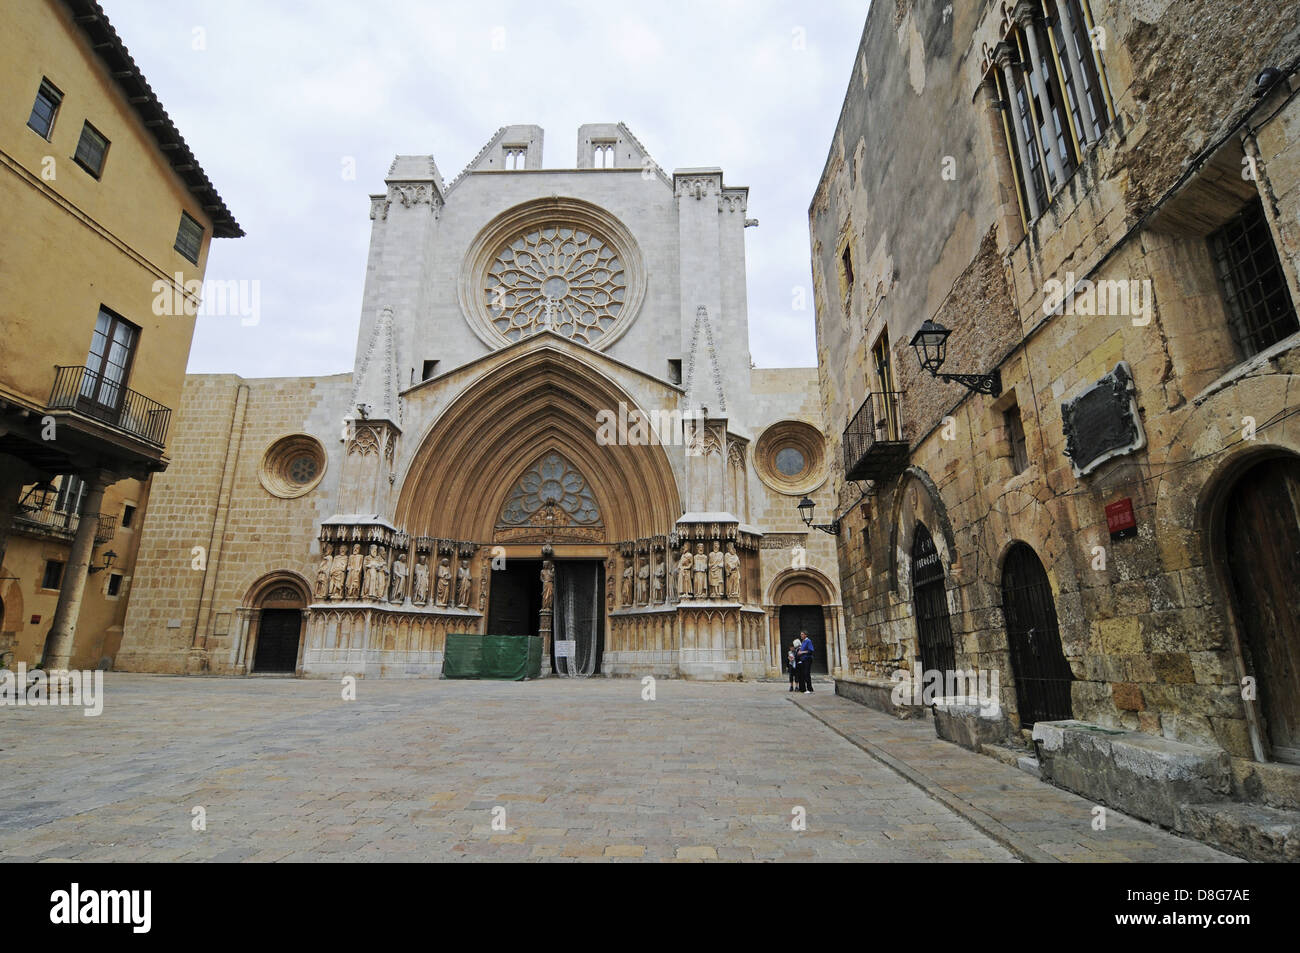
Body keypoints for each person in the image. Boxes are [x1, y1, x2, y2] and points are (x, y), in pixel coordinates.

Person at [796, 629, 815, 694]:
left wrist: (801, 652)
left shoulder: (808, 641)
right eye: (801, 634)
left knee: (807, 673)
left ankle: (809, 689)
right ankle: (803, 688)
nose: (801, 635)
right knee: (803, 674)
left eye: (802, 634)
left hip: (807, 659)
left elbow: (810, 650)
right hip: (803, 660)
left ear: (805, 635)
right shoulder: (803, 641)